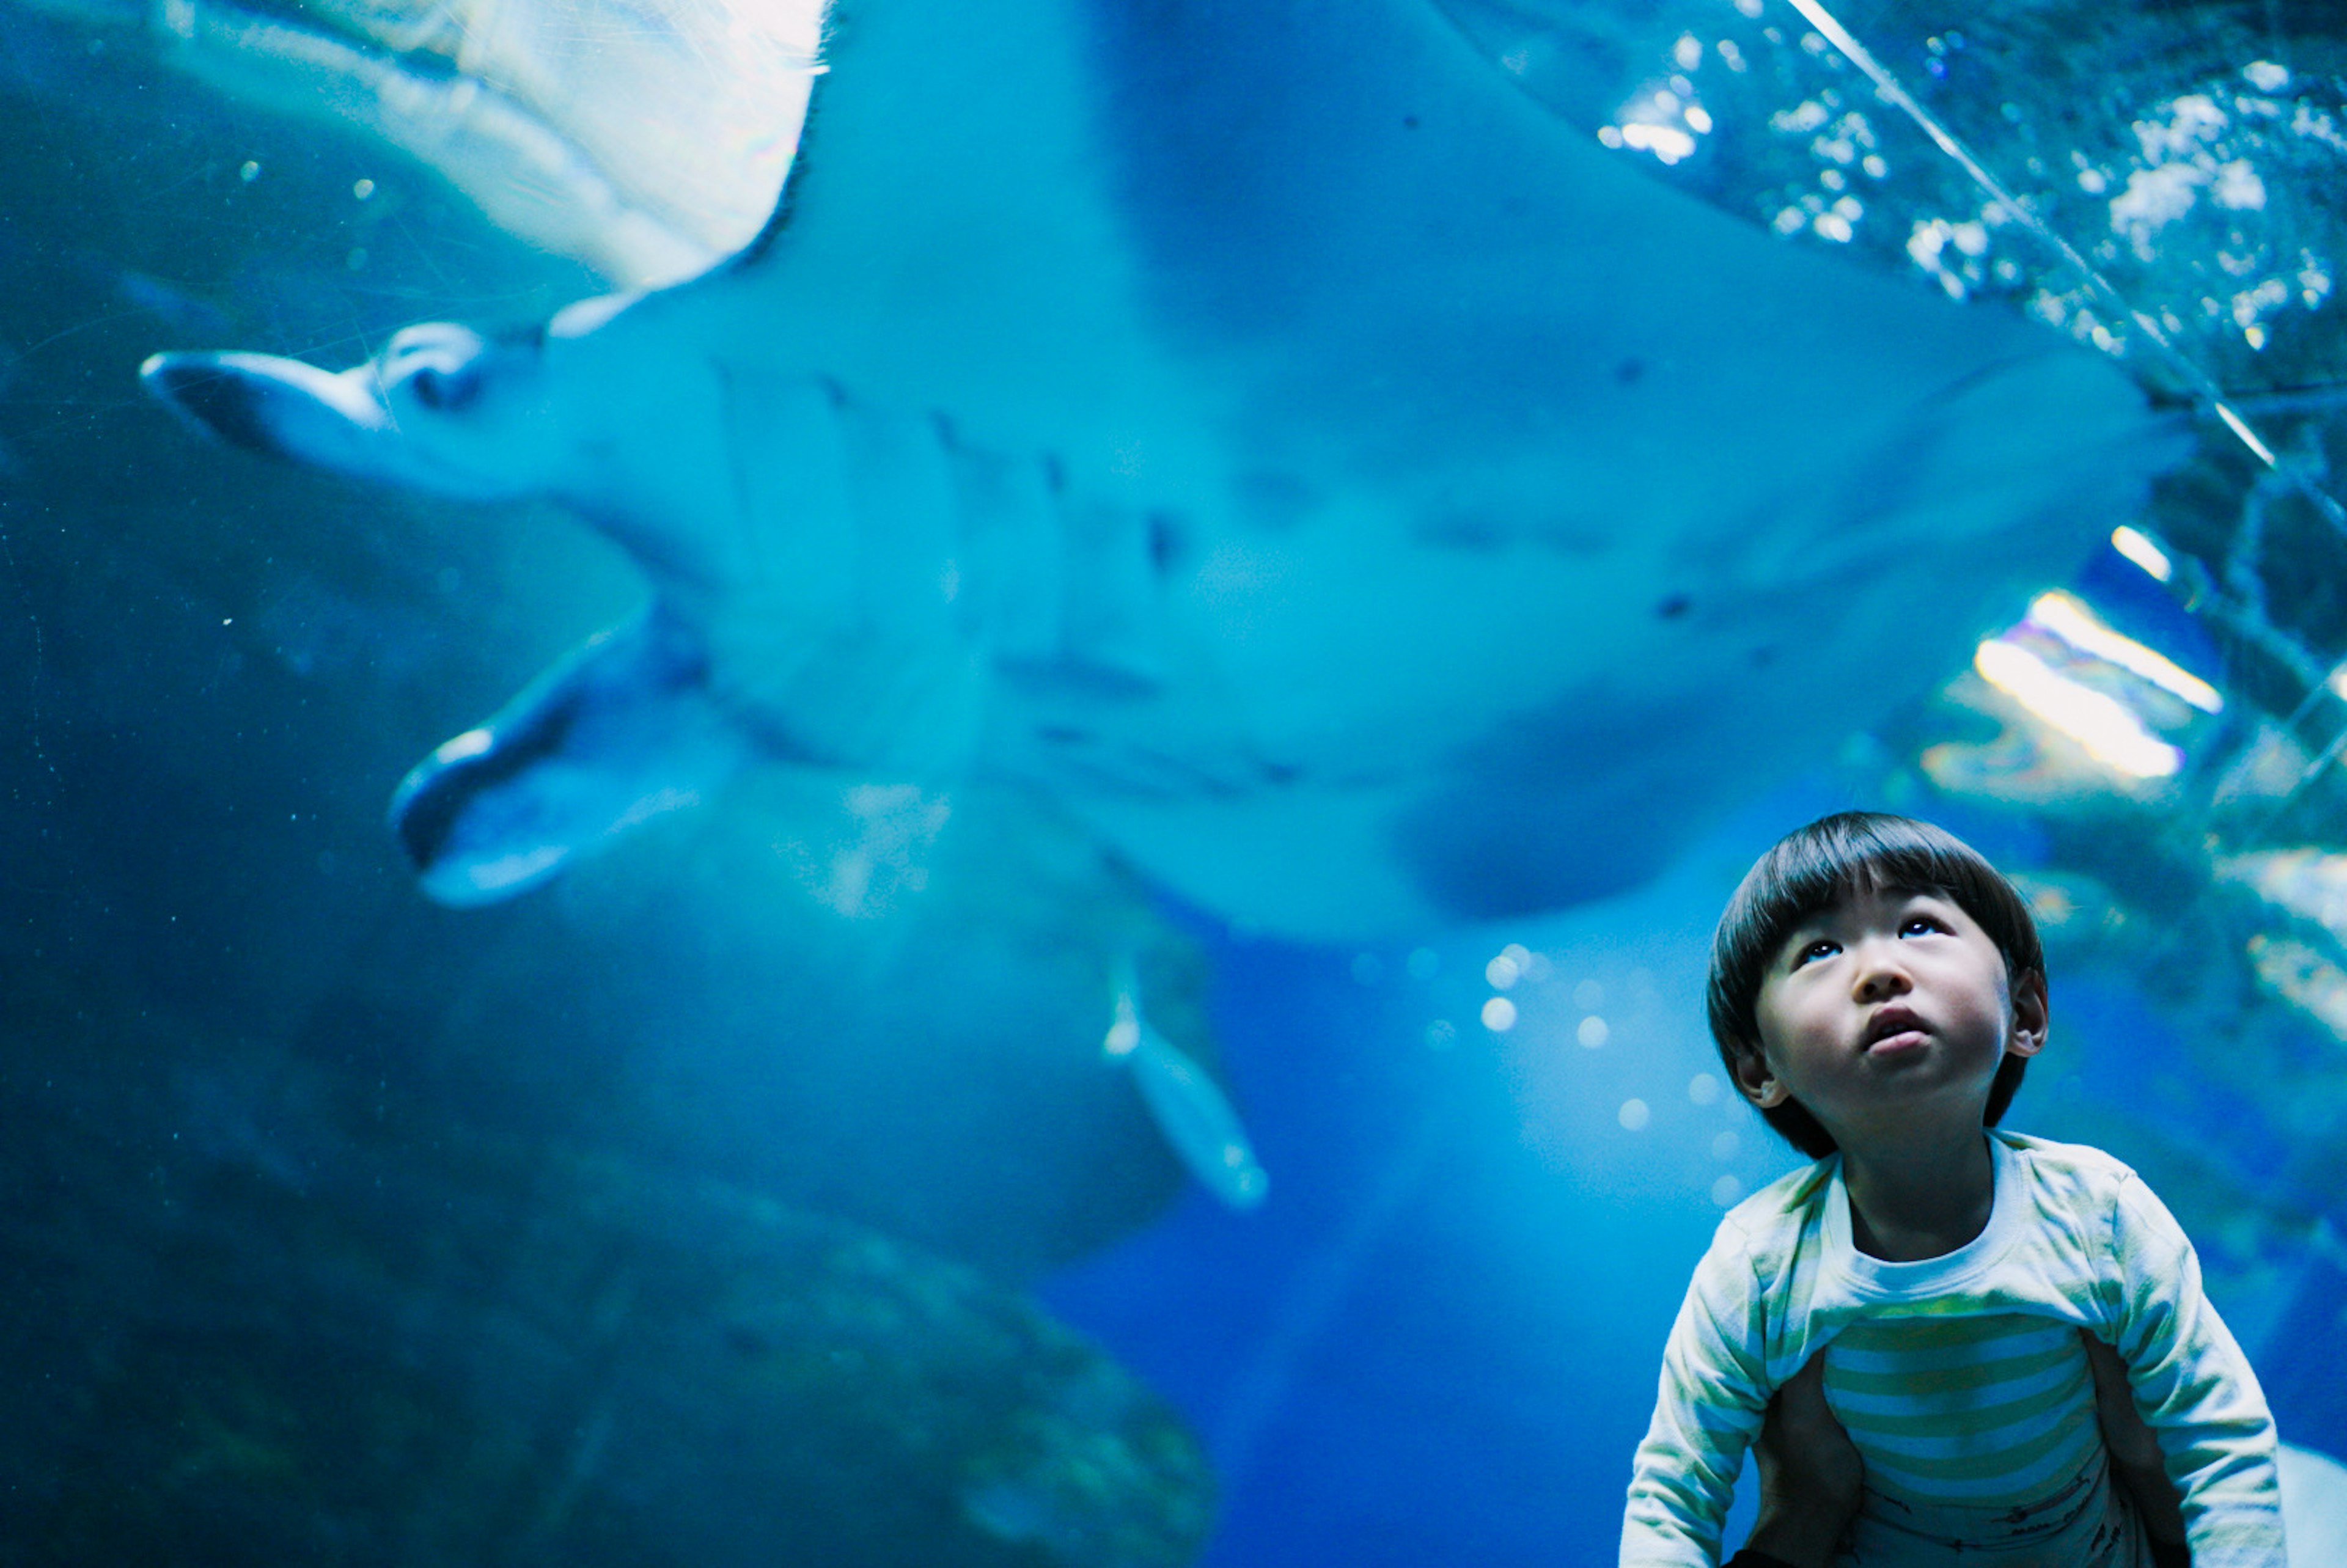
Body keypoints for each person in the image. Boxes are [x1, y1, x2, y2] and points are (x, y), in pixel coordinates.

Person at [1620, 811, 2286, 1567]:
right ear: (1758, 1068)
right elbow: (1672, 1499)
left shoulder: (2098, 1210)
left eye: (1919, 926)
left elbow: (2221, 1442)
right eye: (1821, 949)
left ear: (2026, 1011)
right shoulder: (1760, 1265)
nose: (1878, 970)